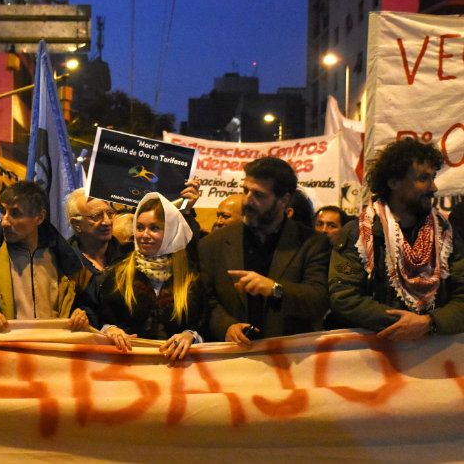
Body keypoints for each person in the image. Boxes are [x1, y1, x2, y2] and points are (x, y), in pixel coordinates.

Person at [328, 139, 464, 339]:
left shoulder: (446, 234)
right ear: (393, 182)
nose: (434, 187)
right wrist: (405, 324)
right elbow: (345, 298)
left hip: (433, 360)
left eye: (433, 177)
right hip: (375, 360)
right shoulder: (358, 234)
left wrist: (429, 323)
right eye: (423, 178)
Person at [199, 157, 331, 345]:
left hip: (289, 358)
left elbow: (318, 301)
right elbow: (207, 301)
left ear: (284, 200)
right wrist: (226, 326)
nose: (247, 201)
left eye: (258, 195)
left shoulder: (312, 242)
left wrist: (275, 289)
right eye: (245, 191)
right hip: (232, 357)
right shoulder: (213, 243)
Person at [0, 181, 96, 334]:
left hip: (55, 350)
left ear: (39, 217)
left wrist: (83, 314)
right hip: (5, 353)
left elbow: (92, 305)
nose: (5, 222)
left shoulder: (65, 258)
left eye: (15, 214)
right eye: (3, 212)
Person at [99, 193, 207, 362]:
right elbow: (99, 318)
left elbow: (204, 322)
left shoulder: (190, 276)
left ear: (171, 232)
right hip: (128, 368)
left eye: (154, 228)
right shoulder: (118, 273)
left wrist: (190, 335)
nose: (144, 235)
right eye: (140, 227)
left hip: (178, 369)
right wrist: (110, 330)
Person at [66, 188, 132, 274]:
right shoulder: (63, 262)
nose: (107, 221)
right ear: (76, 224)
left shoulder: (129, 256)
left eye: (109, 213)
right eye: (97, 216)